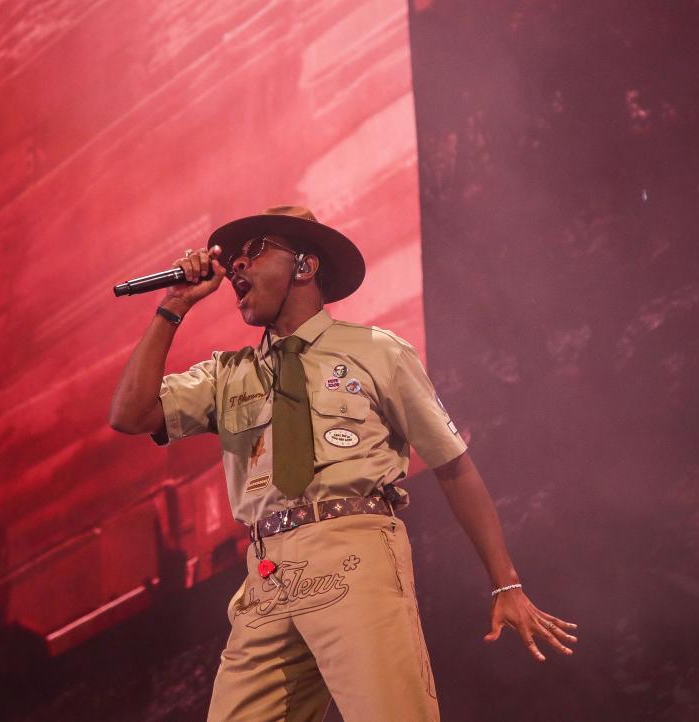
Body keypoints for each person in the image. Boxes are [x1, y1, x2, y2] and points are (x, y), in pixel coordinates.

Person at [109, 206, 577, 721]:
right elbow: (130, 415)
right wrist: (173, 306)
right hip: (266, 574)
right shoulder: (226, 375)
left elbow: (453, 466)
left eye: (255, 251)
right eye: (234, 258)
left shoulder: (376, 352)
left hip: (353, 550)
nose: (236, 267)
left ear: (305, 267)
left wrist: (505, 581)